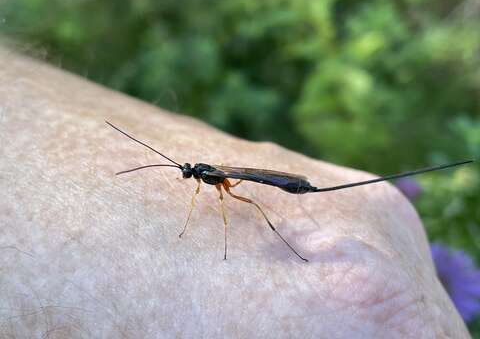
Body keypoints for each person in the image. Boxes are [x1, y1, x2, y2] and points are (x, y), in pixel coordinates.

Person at [0, 47, 470, 338]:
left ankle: (283, 234)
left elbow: (230, 185)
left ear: (197, 173)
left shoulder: (212, 178)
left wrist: (209, 229)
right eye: (190, 173)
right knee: (242, 195)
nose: (188, 177)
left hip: (276, 182)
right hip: (259, 176)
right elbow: (222, 178)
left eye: (189, 173)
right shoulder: (207, 174)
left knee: (246, 207)